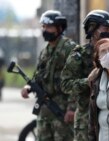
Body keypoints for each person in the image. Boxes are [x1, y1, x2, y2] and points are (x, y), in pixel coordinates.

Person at [21, 10, 77, 141]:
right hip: (44, 110)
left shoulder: (69, 49)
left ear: (59, 28)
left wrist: (72, 108)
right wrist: (28, 88)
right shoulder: (44, 51)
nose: (45, 30)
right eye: (44, 27)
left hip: (62, 110)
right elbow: (39, 76)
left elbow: (76, 79)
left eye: (49, 27)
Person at [60, 10, 109, 141]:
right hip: (86, 121)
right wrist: (87, 82)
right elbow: (65, 85)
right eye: (105, 28)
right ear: (92, 29)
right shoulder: (79, 55)